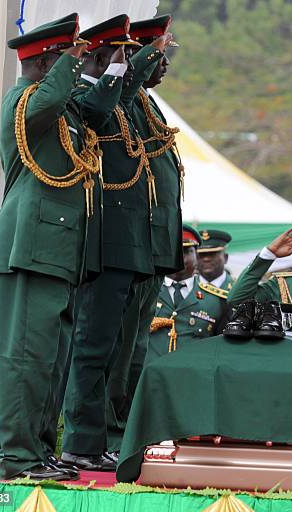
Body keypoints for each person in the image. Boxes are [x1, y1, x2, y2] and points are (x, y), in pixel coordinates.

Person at [0, 14, 95, 481]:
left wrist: (108, 72)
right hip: (27, 248)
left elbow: (102, 108)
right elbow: (44, 101)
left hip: (55, 250)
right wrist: (67, 65)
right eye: (69, 55)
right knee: (25, 362)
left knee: (50, 363)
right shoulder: (22, 99)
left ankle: (39, 452)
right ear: (48, 58)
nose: (78, 63)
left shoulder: (60, 108)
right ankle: (17, 459)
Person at [61, 14, 173, 471]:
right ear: (108, 54)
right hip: (106, 243)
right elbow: (95, 112)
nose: (159, 64)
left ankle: (97, 439)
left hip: (131, 245)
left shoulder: (128, 101)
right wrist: (131, 65)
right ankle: (81, 441)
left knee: (112, 349)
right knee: (92, 346)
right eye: (127, 52)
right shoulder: (83, 97)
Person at [104, 14, 184, 457]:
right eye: (158, 54)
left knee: (133, 351)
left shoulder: (148, 106)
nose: (165, 64)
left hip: (151, 248)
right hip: (127, 245)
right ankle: (107, 436)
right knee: (113, 351)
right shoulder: (122, 101)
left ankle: (124, 435)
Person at [148, 225, 230, 359]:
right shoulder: (146, 292)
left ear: (197, 256)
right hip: (149, 375)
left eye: (186, 251)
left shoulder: (217, 300)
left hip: (192, 376)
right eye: (172, 251)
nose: (178, 258)